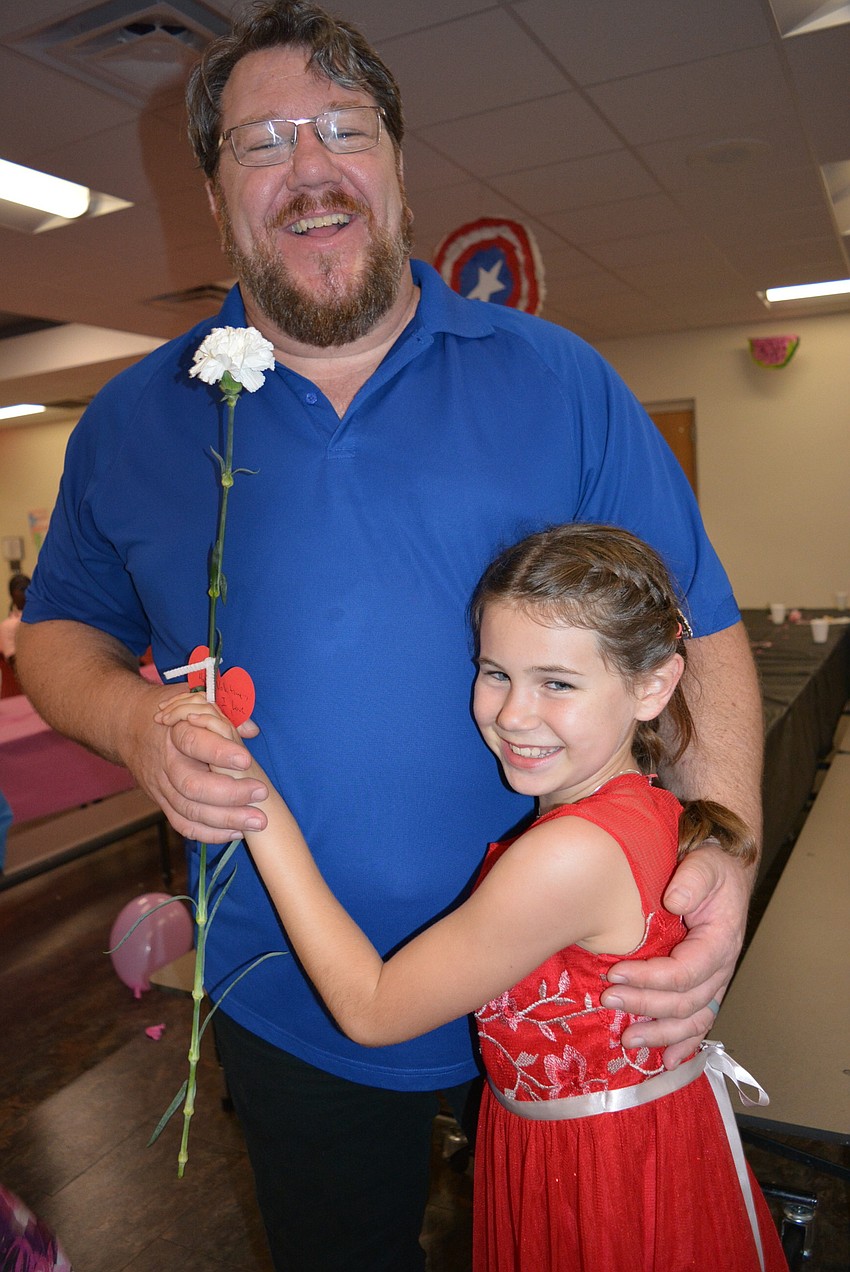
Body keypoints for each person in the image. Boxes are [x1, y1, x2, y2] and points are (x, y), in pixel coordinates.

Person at [16, 3, 763, 1268]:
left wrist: (726, 852)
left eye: (342, 130)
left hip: (574, 979)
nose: (309, 171)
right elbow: (56, 641)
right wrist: (138, 721)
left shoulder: (559, 378)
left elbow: (709, 633)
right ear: (215, 193)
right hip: (291, 990)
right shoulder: (136, 421)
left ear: (400, 166)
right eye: (261, 144)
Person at [156, 523, 785, 1271]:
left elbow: (372, 1008)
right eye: (496, 673)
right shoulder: (645, 808)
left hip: (597, 1176)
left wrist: (253, 798)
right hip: (634, 1144)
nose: (514, 713)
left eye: (557, 682)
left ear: (652, 686)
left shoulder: (568, 855)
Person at [0, 573, 30, 668]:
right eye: (22, 589)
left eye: (29, 588)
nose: (27, 592)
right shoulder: (7, 625)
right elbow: (13, 660)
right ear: (12, 594)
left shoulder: (42, 618)